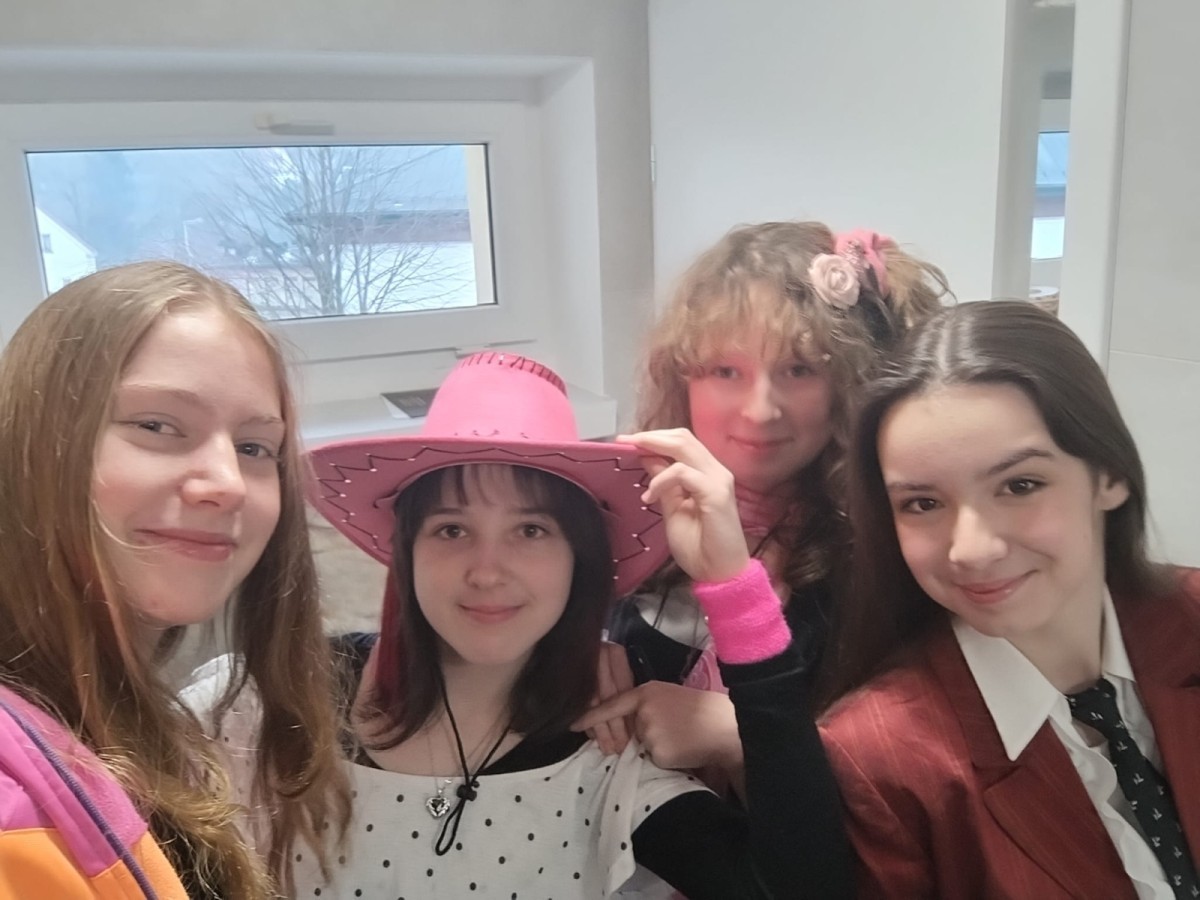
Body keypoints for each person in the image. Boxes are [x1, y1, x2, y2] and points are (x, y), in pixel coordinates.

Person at [189, 350, 853, 898]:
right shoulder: (273, 702)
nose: (487, 571)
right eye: (452, 529)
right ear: (407, 551)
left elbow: (806, 889)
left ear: (578, 559)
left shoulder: (609, 760)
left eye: (530, 530)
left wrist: (734, 590)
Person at [820, 300, 1200, 898]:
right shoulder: (882, 760)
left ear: (1109, 475)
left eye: (1020, 485)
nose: (971, 550)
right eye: (923, 503)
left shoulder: (1188, 618)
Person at [0, 262, 348, 899]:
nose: (227, 483)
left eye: (254, 447)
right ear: (33, 446)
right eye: (157, 426)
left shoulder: (146, 726)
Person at [598, 221, 950, 787]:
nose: (760, 410)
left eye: (799, 369)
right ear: (681, 380)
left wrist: (745, 740)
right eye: (726, 371)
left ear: (849, 383)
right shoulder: (624, 513)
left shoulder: (883, 558)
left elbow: (917, 773)